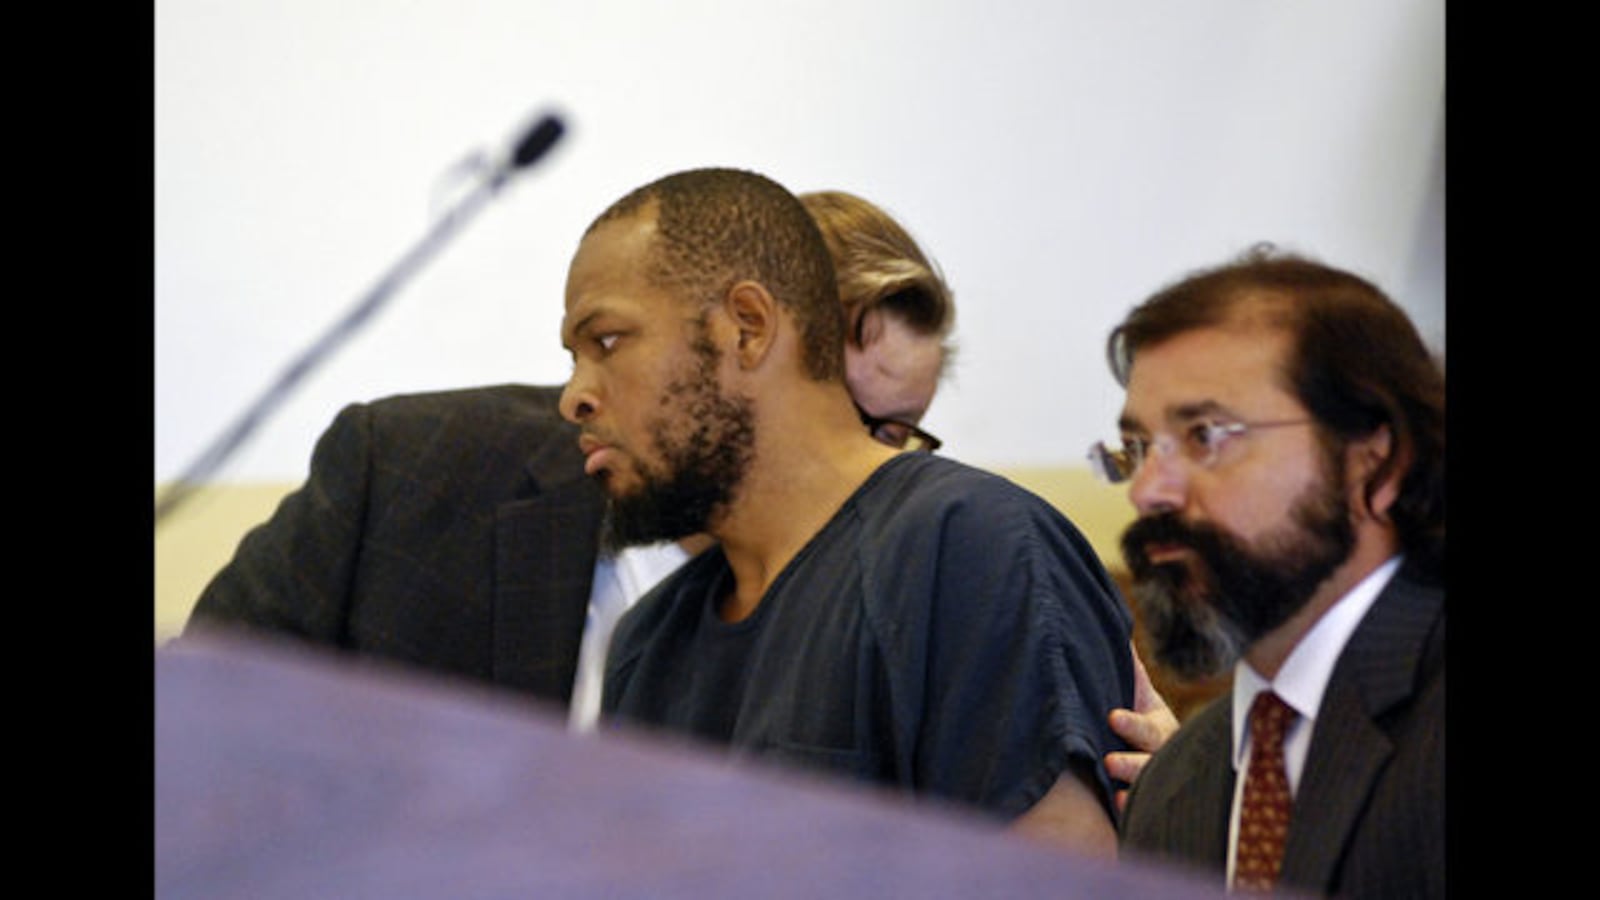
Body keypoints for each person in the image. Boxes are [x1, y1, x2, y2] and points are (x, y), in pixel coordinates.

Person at [180, 189, 955, 729]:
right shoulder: (406, 474)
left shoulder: (908, 587)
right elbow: (194, 727)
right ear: (732, 344)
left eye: (892, 435)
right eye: (839, 414)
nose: (856, 459)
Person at [564, 167, 1135, 856]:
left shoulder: (969, 544)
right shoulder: (648, 641)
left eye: (607, 341)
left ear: (749, 327)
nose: (575, 397)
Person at [1101, 246, 1445, 895]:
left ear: (1372, 458)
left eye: (1206, 434)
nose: (1148, 490)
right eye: (1137, 448)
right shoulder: (1173, 788)